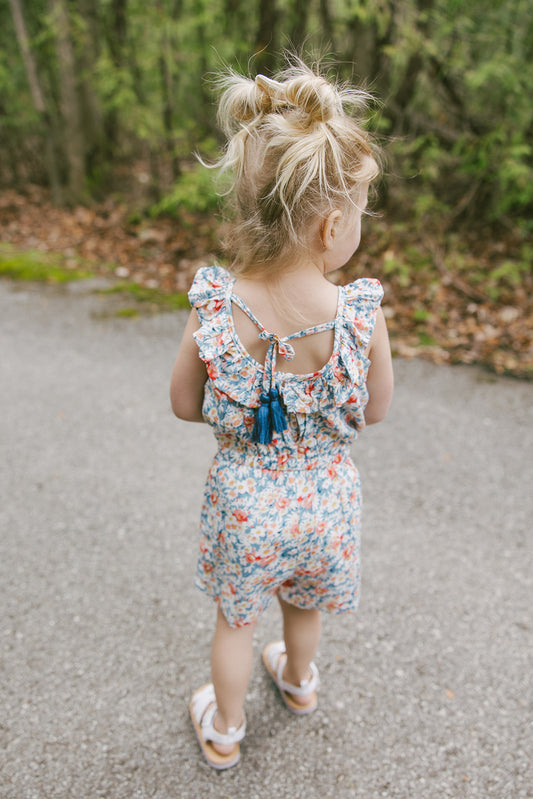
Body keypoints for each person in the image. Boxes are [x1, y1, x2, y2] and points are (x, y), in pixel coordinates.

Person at [170, 57, 393, 770]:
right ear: (332, 226)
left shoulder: (215, 303)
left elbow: (182, 403)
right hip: (326, 500)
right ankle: (298, 681)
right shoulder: (359, 315)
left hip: (245, 504)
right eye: (359, 210)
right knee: (302, 604)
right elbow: (374, 408)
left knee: (237, 621)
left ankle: (226, 727)